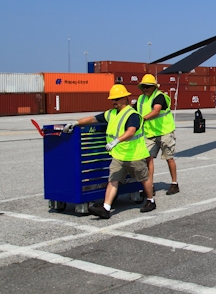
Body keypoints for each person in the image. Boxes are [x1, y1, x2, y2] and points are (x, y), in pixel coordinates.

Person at [63, 84, 156, 218]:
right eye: (113, 100)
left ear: (125, 98)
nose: (114, 102)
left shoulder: (133, 115)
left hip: (134, 154)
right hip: (118, 155)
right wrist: (76, 123)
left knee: (143, 178)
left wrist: (116, 141)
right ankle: (106, 208)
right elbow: (93, 119)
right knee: (113, 180)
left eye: (117, 99)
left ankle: (150, 200)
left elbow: (131, 131)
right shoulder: (111, 113)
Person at [136, 74, 179, 195]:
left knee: (169, 158)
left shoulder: (160, 97)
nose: (146, 89)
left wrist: (142, 119)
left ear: (154, 87)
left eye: (148, 86)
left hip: (165, 132)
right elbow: (133, 111)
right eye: (144, 86)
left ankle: (174, 184)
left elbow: (156, 111)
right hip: (150, 133)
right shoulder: (141, 99)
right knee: (148, 159)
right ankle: (150, 186)